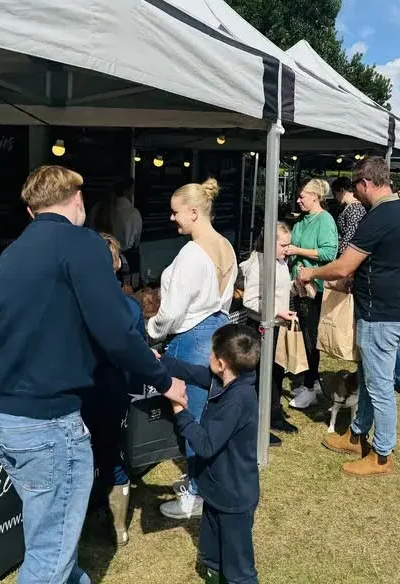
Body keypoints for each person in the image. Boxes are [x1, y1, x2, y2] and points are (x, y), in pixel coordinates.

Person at [0, 166, 184, 583]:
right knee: (49, 557)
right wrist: (165, 379)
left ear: (33, 211)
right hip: (44, 423)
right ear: (77, 200)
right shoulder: (81, 243)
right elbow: (117, 332)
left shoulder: (13, 252)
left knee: (54, 541)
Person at [300, 157, 400, 477]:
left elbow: (342, 266)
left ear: (366, 183)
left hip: (382, 315)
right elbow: (387, 262)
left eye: (355, 185)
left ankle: (381, 455)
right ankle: (356, 434)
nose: (354, 191)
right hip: (397, 309)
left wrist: (312, 273)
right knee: (368, 377)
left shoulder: (378, 217)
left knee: (380, 386)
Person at [149, 178, 238, 519]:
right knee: (207, 415)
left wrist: (150, 330)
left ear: (194, 212)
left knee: (190, 417)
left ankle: (195, 494)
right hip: (218, 333)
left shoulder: (190, 253)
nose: (173, 219)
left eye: (176, 213)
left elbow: (172, 312)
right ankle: (198, 481)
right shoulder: (227, 246)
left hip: (191, 339)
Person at [159, 325, 261, 584]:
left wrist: (179, 410)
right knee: (212, 555)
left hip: (234, 498)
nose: (207, 357)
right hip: (217, 491)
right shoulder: (226, 381)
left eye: (210, 353)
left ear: (221, 362)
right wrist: (161, 362)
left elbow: (205, 444)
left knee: (239, 569)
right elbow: (192, 373)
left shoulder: (237, 400)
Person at [81, 233, 145, 545]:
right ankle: (118, 527)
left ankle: (90, 520)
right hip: (113, 391)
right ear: (117, 264)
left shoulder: (74, 305)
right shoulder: (129, 307)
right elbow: (140, 351)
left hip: (81, 391)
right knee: (111, 453)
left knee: (84, 457)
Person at [283, 179, 339, 410]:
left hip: (313, 290)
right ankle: (307, 380)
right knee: (299, 334)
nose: (298, 200)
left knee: (310, 339)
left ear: (315, 196)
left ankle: (310, 384)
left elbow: (329, 253)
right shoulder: (301, 220)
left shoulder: (325, 220)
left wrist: (297, 250)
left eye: (302, 196)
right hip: (296, 287)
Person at [240, 222, 297, 435]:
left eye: (289, 245)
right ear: (270, 244)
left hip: (277, 325)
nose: (288, 249)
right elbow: (250, 299)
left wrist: (297, 285)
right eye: (283, 245)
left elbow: (281, 289)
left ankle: (273, 414)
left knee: (277, 371)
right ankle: (257, 422)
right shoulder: (259, 264)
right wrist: (276, 312)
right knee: (261, 375)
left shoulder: (281, 261)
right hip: (261, 328)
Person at [332, 177, 367, 255]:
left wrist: (338, 252)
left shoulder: (355, 209)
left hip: (347, 254)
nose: (335, 197)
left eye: (335, 193)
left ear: (341, 191)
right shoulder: (349, 207)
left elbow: (350, 236)